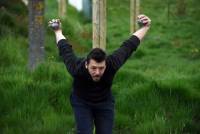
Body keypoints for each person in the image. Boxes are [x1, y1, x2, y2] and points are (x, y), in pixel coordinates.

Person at [48, 14, 151, 134]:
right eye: (94, 68)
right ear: (86, 64)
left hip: (104, 102)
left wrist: (145, 27)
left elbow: (129, 46)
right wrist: (58, 30)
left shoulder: (112, 64)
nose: (97, 72)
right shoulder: (76, 68)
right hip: (82, 102)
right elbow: (65, 49)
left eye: (101, 68)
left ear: (106, 64)